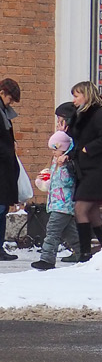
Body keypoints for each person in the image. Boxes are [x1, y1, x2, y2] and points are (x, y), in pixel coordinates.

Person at [66, 80, 102, 262]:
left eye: (77, 95)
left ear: (86, 95)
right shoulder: (79, 116)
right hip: (84, 169)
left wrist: (89, 149)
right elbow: (76, 142)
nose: (74, 99)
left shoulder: (97, 114)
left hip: (96, 170)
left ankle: (84, 253)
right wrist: (69, 155)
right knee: (93, 212)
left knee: (80, 208)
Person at [31, 127, 79, 271]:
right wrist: (44, 180)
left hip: (63, 203)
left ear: (63, 149)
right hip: (58, 204)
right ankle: (83, 253)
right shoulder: (54, 162)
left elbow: (68, 182)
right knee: (68, 232)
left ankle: (47, 259)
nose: (53, 153)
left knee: (52, 231)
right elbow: (53, 182)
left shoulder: (68, 163)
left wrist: (61, 167)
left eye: (55, 149)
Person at [0, 77, 22, 260]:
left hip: (5, 165)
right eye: (10, 98)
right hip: (2, 165)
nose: (11, 103)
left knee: (2, 208)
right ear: (2, 93)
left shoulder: (3, 111)